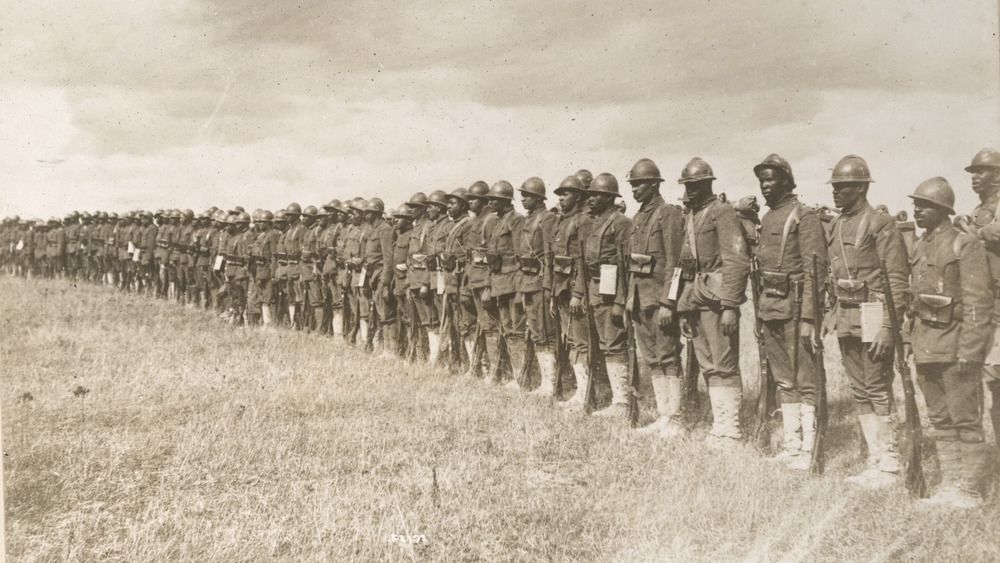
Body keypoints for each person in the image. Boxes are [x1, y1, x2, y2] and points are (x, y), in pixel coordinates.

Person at [820, 155, 910, 485]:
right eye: (834, 187)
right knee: (859, 388)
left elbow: (897, 279)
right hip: (846, 312)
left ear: (860, 188)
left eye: (842, 188)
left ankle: (891, 461)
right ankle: (875, 459)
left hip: (873, 312)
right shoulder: (837, 224)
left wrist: (889, 325)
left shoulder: (880, 224)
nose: (836, 193)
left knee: (877, 384)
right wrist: (831, 312)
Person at [906, 177, 993, 508]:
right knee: (940, 419)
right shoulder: (921, 244)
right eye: (916, 203)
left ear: (943, 210)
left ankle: (969, 490)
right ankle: (950, 484)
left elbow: (977, 304)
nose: (917, 209)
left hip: (956, 348)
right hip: (926, 346)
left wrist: (970, 352)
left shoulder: (964, 244)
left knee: (965, 420)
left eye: (924, 205)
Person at [753, 154, 829, 467]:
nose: (765, 185)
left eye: (770, 179)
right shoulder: (769, 217)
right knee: (784, 379)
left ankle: (810, 449)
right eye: (762, 181)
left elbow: (815, 270)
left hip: (797, 311)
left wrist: (810, 318)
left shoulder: (804, 216)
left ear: (786, 179)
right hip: (770, 308)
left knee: (806, 379)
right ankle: (792, 445)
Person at [674, 157, 750, 446]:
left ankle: (730, 430)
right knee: (708, 365)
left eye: (697, 184)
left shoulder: (722, 212)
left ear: (709, 183)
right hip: (695, 299)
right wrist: (682, 306)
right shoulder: (691, 217)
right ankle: (719, 427)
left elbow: (736, 259)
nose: (691, 190)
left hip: (717, 301)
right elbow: (685, 267)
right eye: (687, 185)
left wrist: (730, 305)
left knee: (724, 364)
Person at [954, 147, 1000, 447]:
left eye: (980, 172)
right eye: (971, 174)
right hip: (986, 304)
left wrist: (975, 233)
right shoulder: (978, 211)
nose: (974, 178)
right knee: (993, 380)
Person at [583, 173, 632, 416]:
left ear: (609, 197)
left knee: (614, 344)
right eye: (590, 194)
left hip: (612, 295)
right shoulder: (596, 222)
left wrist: (620, 302)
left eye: (596, 195)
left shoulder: (620, 223)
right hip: (596, 289)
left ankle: (622, 402)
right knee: (604, 344)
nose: (590, 198)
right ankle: (614, 398)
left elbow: (624, 266)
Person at [552, 175, 593, 409]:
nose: (560, 198)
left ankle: (586, 393)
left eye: (565, 194)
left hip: (577, 290)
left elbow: (584, 261)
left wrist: (578, 293)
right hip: (563, 290)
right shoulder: (563, 221)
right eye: (559, 194)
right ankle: (580, 391)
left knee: (581, 342)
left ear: (577, 196)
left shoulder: (583, 221)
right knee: (572, 342)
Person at [516, 177, 559, 395]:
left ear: (538, 198)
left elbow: (551, 255)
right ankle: (545, 382)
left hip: (541, 283)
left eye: (527, 195)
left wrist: (549, 288)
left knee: (546, 333)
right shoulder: (528, 220)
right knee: (536, 333)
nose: (522, 199)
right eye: (522, 195)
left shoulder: (547, 218)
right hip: (528, 283)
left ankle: (550, 384)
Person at [485, 181, 525, 385]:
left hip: (512, 283)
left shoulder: (516, 221)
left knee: (517, 331)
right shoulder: (497, 221)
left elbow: (520, 256)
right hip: (499, 284)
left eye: (494, 199)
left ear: (505, 200)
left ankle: (521, 378)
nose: (489, 202)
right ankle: (513, 374)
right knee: (508, 330)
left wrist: (519, 290)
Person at [463, 182, 497, 377]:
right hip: (474, 280)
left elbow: (492, 257)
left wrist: (487, 286)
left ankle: (494, 372)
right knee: (482, 326)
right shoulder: (477, 221)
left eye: (473, 199)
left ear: (483, 200)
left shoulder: (490, 221)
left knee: (490, 327)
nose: (470, 202)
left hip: (483, 282)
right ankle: (484, 368)